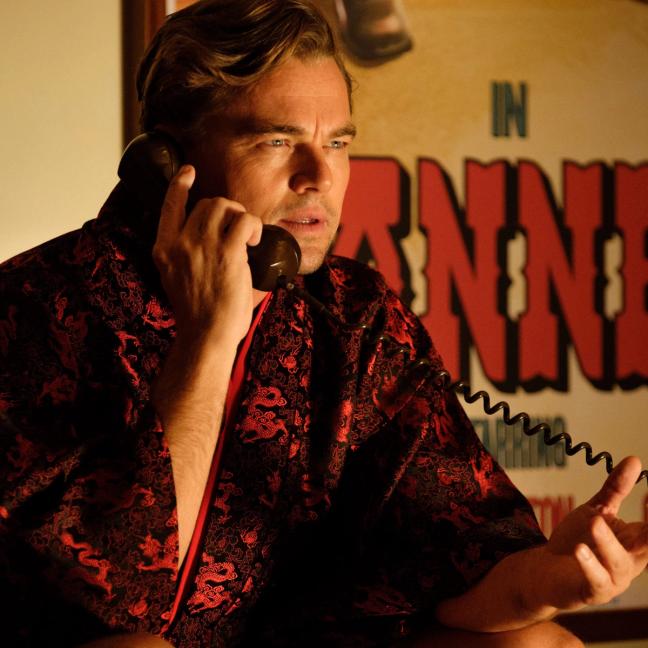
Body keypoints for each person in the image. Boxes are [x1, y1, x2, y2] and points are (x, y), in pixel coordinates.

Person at [0, 1, 646, 646]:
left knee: (538, 641)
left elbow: (452, 550)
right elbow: (113, 596)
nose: (319, 176)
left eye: (337, 143)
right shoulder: (36, 304)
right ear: (167, 160)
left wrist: (545, 581)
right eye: (277, 141)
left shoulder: (355, 313)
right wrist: (208, 338)